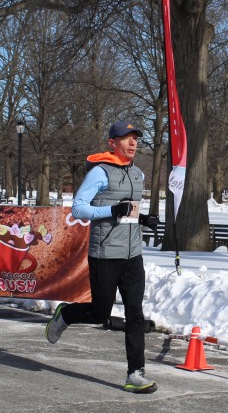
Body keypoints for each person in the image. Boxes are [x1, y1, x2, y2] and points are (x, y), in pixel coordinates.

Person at [46, 120, 160, 393]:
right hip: (105, 253)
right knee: (100, 313)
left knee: (135, 314)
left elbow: (127, 211)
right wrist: (111, 211)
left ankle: (135, 373)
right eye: (126, 138)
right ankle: (66, 314)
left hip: (133, 255)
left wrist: (143, 219)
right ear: (112, 143)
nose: (132, 143)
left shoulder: (137, 174)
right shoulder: (99, 172)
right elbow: (79, 209)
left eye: (135, 138)